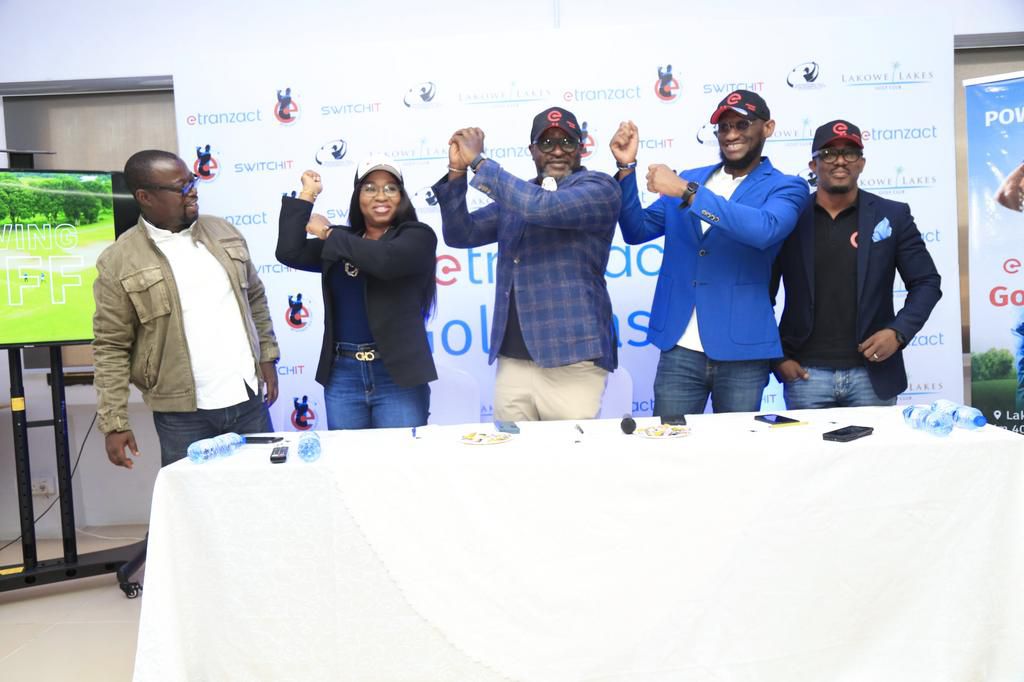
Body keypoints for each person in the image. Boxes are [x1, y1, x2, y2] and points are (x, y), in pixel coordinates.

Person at [610, 90, 809, 416]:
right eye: (724, 127)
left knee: (736, 455)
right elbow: (637, 231)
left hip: (743, 350)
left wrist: (687, 193)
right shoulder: (690, 178)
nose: (731, 135)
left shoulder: (787, 186)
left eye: (742, 124)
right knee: (669, 447)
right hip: (680, 347)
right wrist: (626, 168)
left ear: (768, 128)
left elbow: (763, 230)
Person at [93, 150, 280, 468]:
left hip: (248, 400)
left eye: (192, 180)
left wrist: (267, 356)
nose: (192, 190)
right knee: (195, 509)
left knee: (263, 501)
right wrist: (114, 422)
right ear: (145, 197)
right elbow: (111, 346)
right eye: (181, 187)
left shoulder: (224, 232)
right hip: (181, 416)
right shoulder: (118, 260)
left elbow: (256, 300)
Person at [433, 106, 620, 421]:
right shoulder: (519, 195)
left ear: (582, 148)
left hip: (572, 361)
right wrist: (457, 172)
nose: (557, 150)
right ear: (532, 150)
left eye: (567, 142)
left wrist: (479, 162)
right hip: (514, 362)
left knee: (571, 463)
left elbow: (544, 208)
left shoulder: (599, 189)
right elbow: (460, 234)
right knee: (512, 465)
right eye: (546, 143)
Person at [770, 120, 942, 407]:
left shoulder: (893, 215)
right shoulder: (789, 218)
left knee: (877, 454)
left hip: (872, 374)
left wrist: (898, 333)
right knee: (811, 454)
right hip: (805, 374)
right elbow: (762, 291)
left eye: (849, 153)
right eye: (828, 154)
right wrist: (777, 356)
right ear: (812, 166)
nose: (840, 161)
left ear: (861, 163)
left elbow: (926, 283)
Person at [276, 155, 437, 429]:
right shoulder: (342, 241)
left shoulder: (417, 236)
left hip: (396, 373)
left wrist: (328, 233)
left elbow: (385, 260)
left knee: (401, 465)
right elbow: (289, 252)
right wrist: (307, 196)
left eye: (391, 188)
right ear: (358, 197)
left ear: (402, 196)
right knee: (348, 467)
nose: (381, 196)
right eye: (370, 188)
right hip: (343, 374)